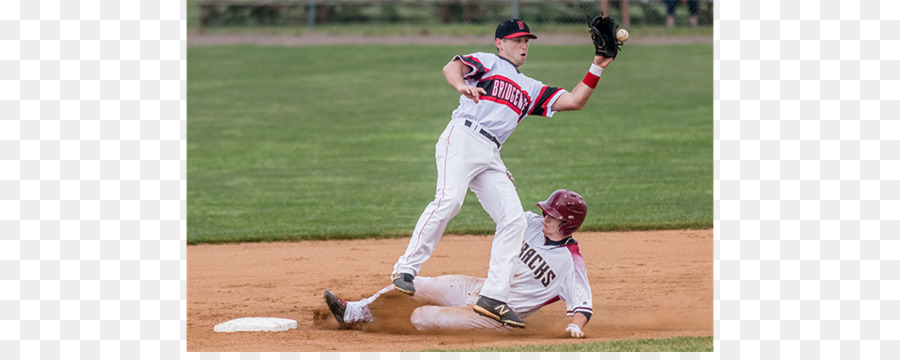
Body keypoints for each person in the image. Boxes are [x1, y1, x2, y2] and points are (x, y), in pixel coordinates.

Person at [389, 18, 614, 329]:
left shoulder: (531, 88)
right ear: (500, 42)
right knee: (450, 200)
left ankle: (492, 297)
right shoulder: (488, 61)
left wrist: (599, 65)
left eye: (527, 41)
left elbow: (575, 101)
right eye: (517, 40)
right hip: (463, 137)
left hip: (491, 153)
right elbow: (450, 67)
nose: (523, 45)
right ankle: (405, 269)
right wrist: (461, 85)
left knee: (514, 220)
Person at [328, 190, 593, 337]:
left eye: (553, 216)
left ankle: (383, 329)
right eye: (546, 211)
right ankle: (354, 312)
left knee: (421, 317)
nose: (545, 217)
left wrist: (575, 326)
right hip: (479, 288)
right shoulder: (531, 224)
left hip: (494, 316)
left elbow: (583, 304)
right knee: (416, 284)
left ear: (567, 224)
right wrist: (500, 184)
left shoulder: (571, 263)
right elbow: (502, 207)